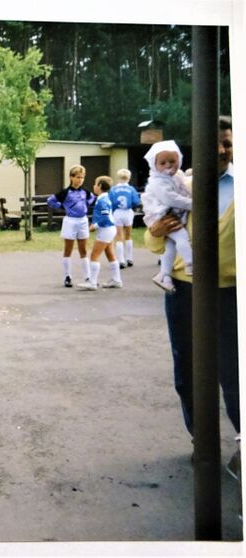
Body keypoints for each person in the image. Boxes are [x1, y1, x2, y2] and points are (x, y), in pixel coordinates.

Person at [144, 117, 239, 478]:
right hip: (185, 290)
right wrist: (154, 230)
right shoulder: (182, 185)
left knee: (233, 371)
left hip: (230, 292)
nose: (220, 150)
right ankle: (203, 442)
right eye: (212, 143)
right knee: (187, 370)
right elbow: (155, 242)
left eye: (227, 143)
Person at [141, 140, 193, 293]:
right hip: (161, 215)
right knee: (182, 237)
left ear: (179, 160)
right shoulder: (157, 181)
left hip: (172, 214)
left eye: (172, 161)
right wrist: (194, 204)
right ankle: (191, 264)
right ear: (154, 165)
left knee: (170, 246)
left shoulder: (178, 176)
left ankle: (164, 275)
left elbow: (183, 187)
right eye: (162, 163)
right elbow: (170, 198)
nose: (168, 165)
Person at [47, 164, 95, 288]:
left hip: (83, 221)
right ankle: (67, 276)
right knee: (68, 249)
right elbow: (50, 200)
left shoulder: (85, 191)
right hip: (70, 221)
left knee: (83, 249)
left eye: (82, 177)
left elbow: (92, 198)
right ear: (71, 177)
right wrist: (62, 206)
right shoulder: (65, 192)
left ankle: (88, 276)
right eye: (78, 177)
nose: (80, 180)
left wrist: (86, 205)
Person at [77, 176, 123, 290]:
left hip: (105, 229)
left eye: (95, 184)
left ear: (100, 186)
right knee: (110, 254)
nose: (94, 186)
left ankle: (92, 283)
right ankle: (116, 280)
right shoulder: (103, 198)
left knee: (94, 255)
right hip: (109, 229)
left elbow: (105, 217)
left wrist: (94, 226)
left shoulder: (103, 200)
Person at [109, 169, 141, 268]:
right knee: (128, 235)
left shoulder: (113, 189)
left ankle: (121, 260)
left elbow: (110, 202)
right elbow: (136, 202)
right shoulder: (131, 189)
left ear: (118, 177)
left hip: (117, 212)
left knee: (119, 237)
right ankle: (129, 258)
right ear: (129, 178)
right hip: (128, 212)